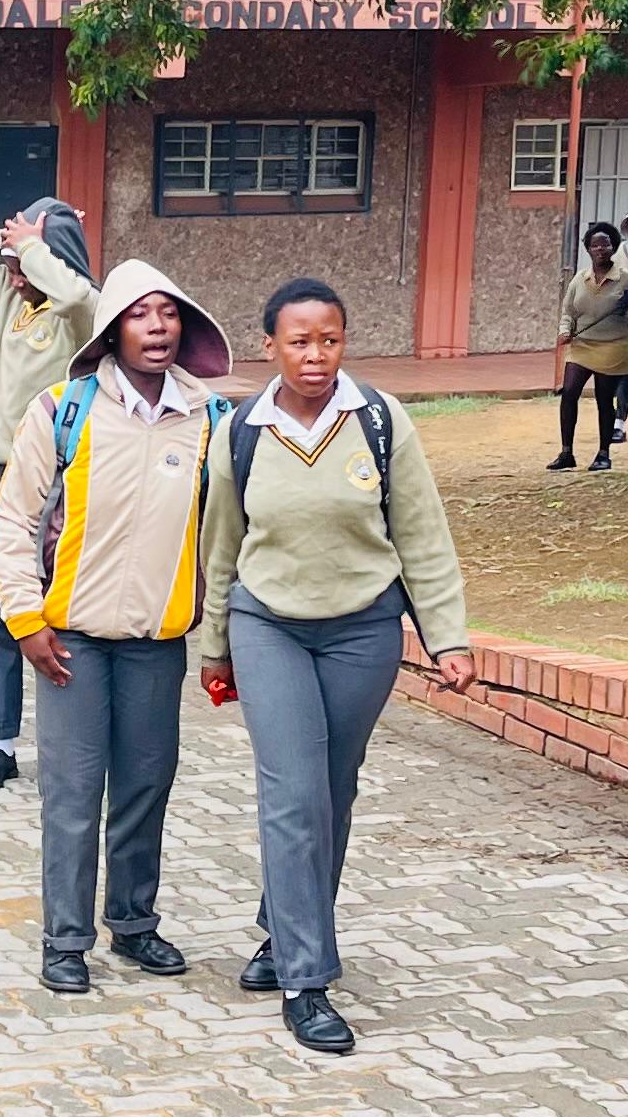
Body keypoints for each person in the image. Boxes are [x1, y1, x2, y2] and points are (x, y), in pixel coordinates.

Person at [202, 279, 475, 1055]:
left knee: (332, 791)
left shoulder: (381, 423)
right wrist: (215, 646)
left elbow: (421, 536)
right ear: (270, 347)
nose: (314, 355)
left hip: (363, 632)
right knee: (292, 792)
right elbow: (221, 548)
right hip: (269, 627)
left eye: (328, 339)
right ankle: (306, 979)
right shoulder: (240, 432)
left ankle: (279, 931)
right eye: (299, 341)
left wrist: (446, 637)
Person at [0, 261, 237, 997]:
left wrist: (220, 633)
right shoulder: (64, 410)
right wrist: (25, 618)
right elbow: (12, 518)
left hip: (158, 642)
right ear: (111, 331)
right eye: (140, 314)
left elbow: (230, 534)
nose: (157, 327)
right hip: (70, 639)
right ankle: (66, 939)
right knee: (72, 789)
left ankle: (133, 925)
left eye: (169, 313)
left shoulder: (212, 421)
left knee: (145, 784)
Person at [0, 199, 99, 794]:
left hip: (55, 477)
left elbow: (81, 297)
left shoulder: (76, 315)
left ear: (51, 260)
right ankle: (1, 743)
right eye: (8, 263)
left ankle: (71, 741)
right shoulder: (6, 298)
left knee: (63, 608)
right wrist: (15, 236)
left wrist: (37, 244)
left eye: (23, 263)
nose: (11, 275)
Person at [553, 222, 628, 472]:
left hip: (613, 347)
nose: (600, 248)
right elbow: (568, 311)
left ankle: (603, 453)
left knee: (604, 400)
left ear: (613, 247)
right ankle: (566, 452)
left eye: (605, 244)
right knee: (569, 392)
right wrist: (564, 331)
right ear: (588, 249)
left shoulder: (627, 279)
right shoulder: (579, 279)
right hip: (582, 346)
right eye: (595, 245)